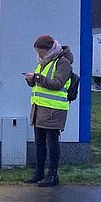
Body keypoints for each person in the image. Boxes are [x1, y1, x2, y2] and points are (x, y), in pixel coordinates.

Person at [23, 34, 74, 187]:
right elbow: (39, 84)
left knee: (52, 143)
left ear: (49, 49)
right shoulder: (44, 63)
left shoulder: (63, 62)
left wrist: (37, 78)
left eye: (41, 51)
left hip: (54, 110)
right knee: (39, 142)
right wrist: (31, 80)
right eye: (37, 52)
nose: (39, 55)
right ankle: (39, 172)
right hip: (39, 108)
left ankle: (52, 175)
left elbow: (57, 83)